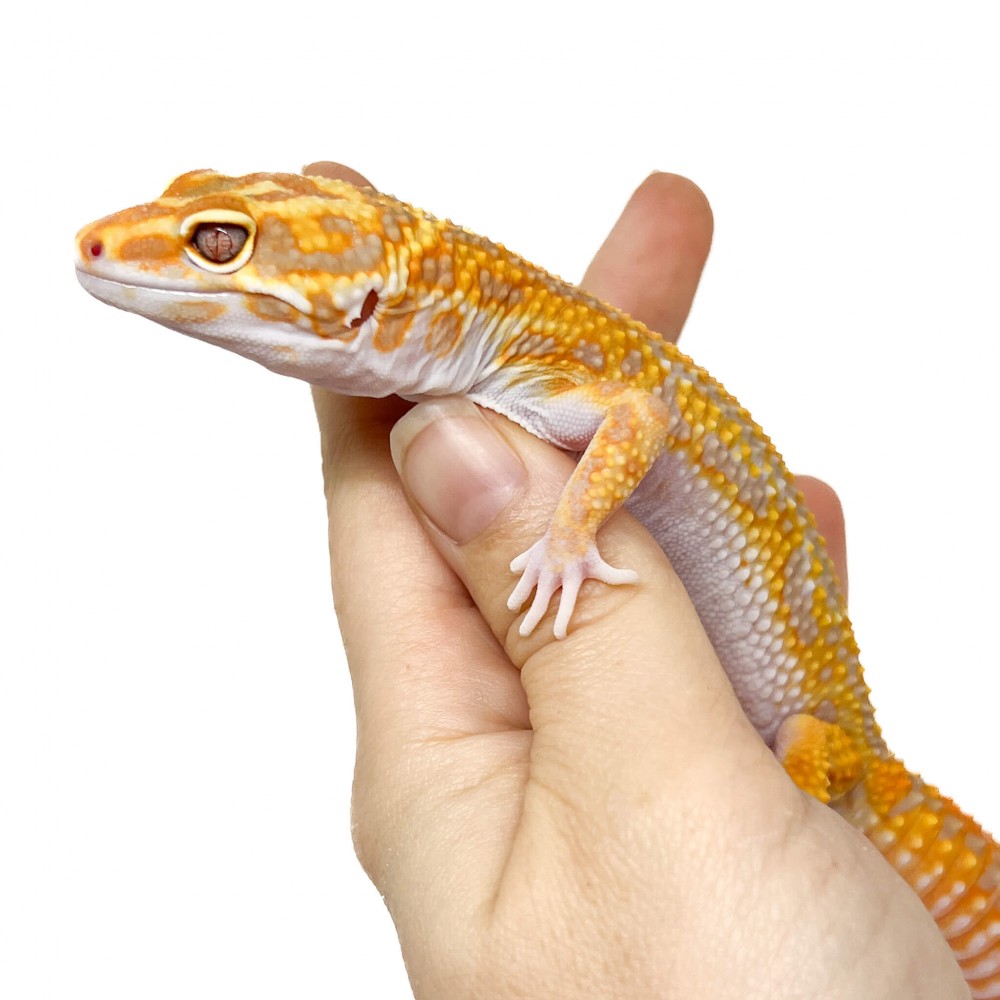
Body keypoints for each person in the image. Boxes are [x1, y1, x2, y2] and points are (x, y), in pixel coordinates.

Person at [309, 162, 968, 998]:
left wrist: (567, 534)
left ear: (370, 299)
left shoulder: (544, 369)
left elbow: (640, 416)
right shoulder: (527, 359)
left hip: (816, 740)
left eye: (219, 247)